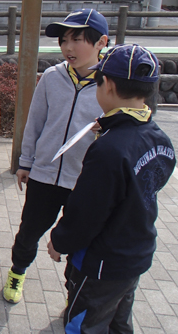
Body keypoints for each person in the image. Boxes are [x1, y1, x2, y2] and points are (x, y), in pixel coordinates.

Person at [48, 44, 175, 332]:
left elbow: (87, 211)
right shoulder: (159, 138)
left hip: (101, 263)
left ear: (109, 85)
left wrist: (60, 240)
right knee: (118, 320)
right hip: (136, 255)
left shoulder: (109, 150)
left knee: (84, 324)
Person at [3, 8, 109, 303]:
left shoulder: (110, 84)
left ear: (101, 42)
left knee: (78, 240)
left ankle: (72, 292)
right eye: (64, 40)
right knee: (29, 232)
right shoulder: (52, 76)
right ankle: (17, 272)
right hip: (45, 175)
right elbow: (35, 121)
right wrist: (26, 163)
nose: (67, 47)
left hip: (83, 181)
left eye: (77, 39)